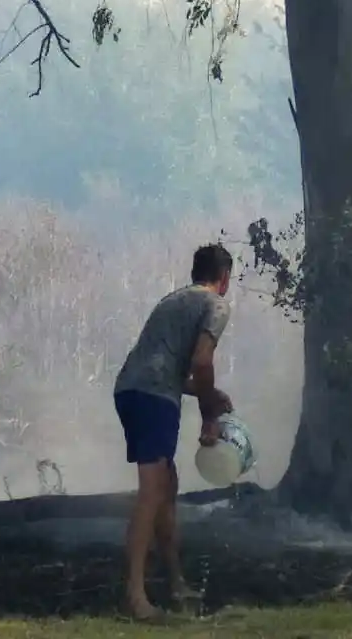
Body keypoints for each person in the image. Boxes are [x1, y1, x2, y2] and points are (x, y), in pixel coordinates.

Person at [113, 243, 235, 619]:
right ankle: (136, 599)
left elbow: (166, 366)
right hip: (152, 397)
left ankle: (176, 581)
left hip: (131, 389)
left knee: (167, 486)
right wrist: (209, 416)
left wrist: (209, 392)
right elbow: (201, 361)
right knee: (152, 492)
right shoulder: (216, 304)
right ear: (224, 278)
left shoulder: (173, 300)